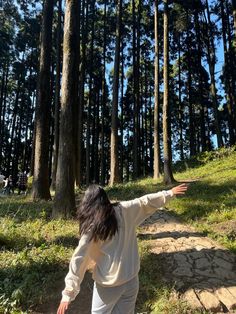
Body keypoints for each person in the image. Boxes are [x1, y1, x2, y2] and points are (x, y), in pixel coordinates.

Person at [57, 183, 188, 314]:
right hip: (131, 280)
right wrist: (169, 193)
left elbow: (79, 258)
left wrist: (69, 292)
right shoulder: (124, 210)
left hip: (108, 285)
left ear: (87, 204)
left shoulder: (92, 227)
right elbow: (144, 201)